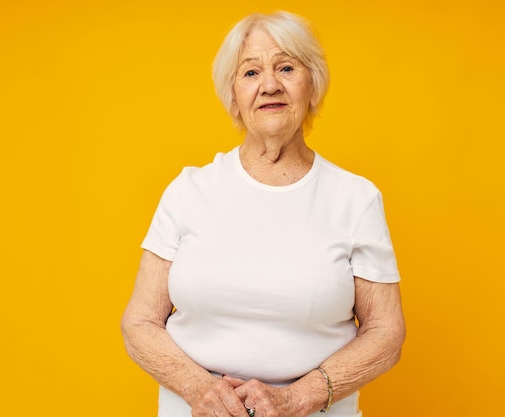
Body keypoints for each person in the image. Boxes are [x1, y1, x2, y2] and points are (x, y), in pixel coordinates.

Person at [121, 11, 405, 417]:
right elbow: (140, 323)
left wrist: (297, 398)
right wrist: (200, 387)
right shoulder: (188, 190)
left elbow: (386, 333)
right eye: (251, 72)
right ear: (233, 94)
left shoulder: (356, 198)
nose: (270, 84)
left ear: (312, 84)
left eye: (286, 67)